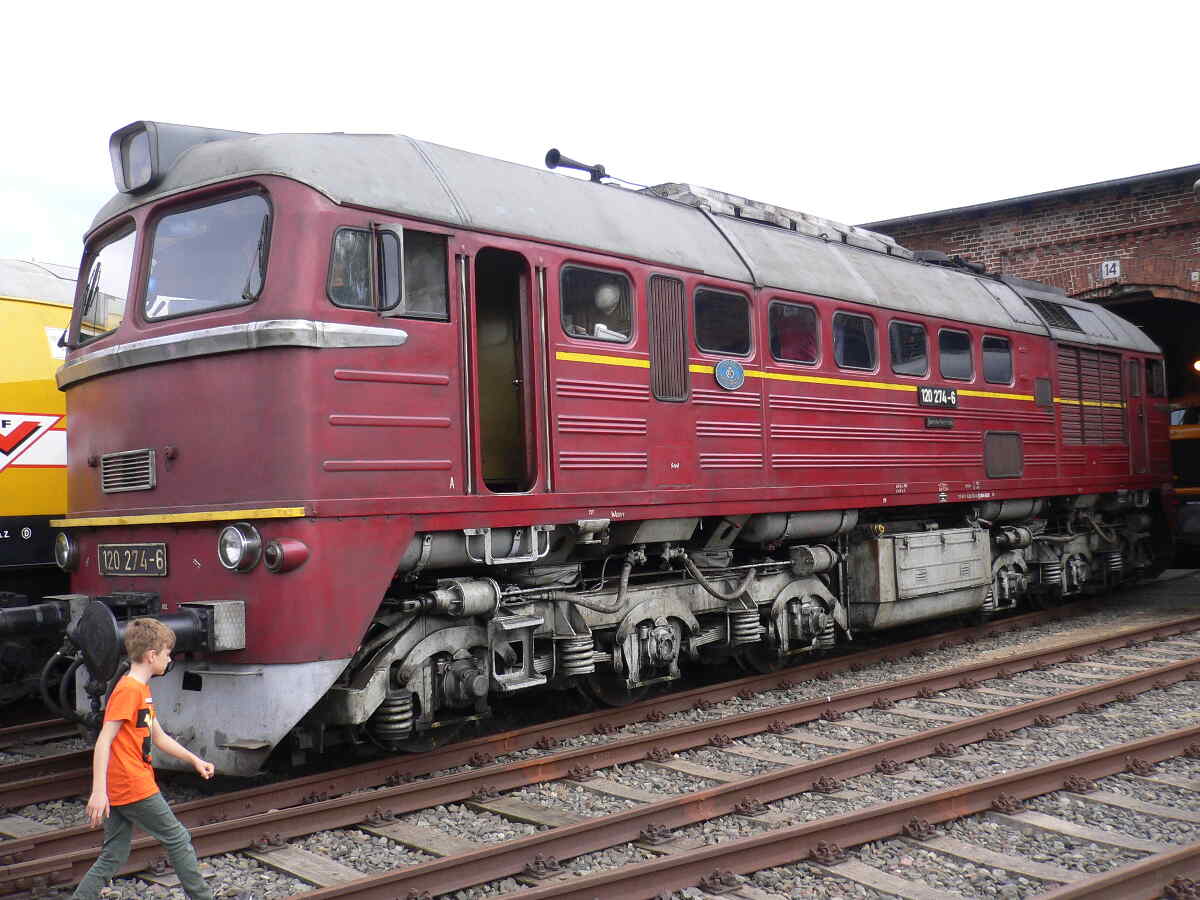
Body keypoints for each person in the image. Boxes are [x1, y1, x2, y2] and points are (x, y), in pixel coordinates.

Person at [71, 618, 216, 900]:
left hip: (123, 783)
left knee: (114, 853)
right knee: (178, 838)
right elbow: (104, 741)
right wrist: (98, 792)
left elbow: (158, 737)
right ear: (152, 656)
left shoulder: (140, 690)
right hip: (132, 784)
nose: (169, 659)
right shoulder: (128, 691)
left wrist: (194, 760)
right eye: (167, 654)